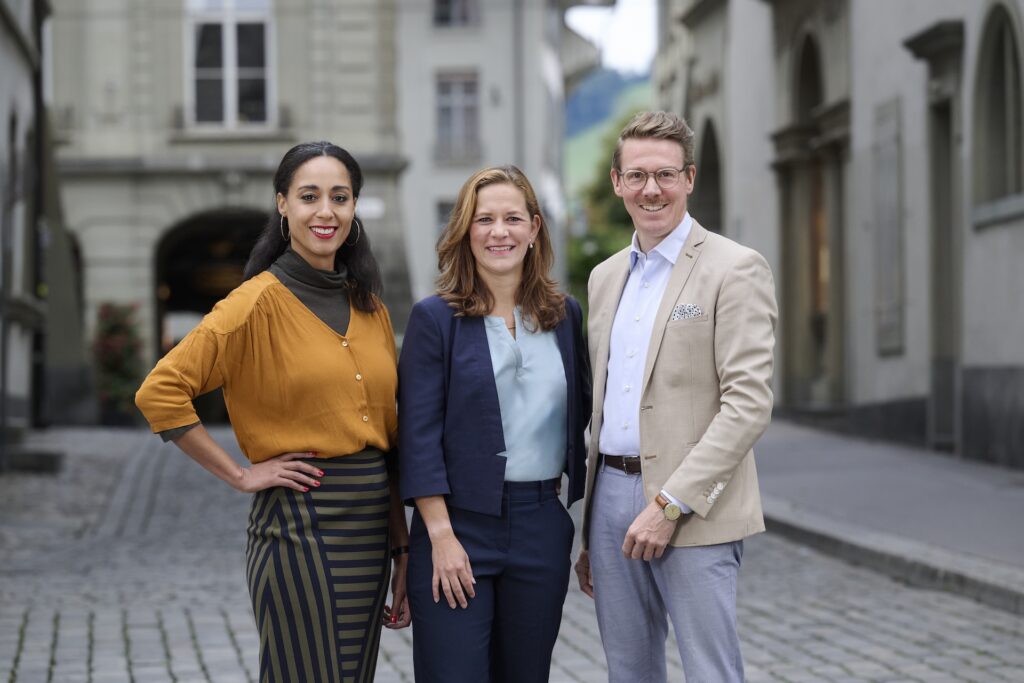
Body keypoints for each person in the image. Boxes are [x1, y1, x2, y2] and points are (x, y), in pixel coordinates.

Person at [135, 141, 410, 683]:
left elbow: (390, 437)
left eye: (340, 196)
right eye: (309, 196)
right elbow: (159, 391)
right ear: (283, 204)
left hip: (372, 529)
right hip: (298, 526)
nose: (325, 211)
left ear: (355, 207)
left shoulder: (370, 307)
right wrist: (240, 473)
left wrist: (401, 546)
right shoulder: (253, 303)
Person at [574, 111, 778, 682]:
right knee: (629, 671)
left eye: (665, 175)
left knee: (711, 672)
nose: (651, 190)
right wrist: (594, 525)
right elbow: (605, 402)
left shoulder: (735, 269)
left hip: (692, 508)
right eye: (637, 176)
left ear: (688, 178)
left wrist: (670, 506)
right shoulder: (605, 277)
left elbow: (748, 404)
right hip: (611, 496)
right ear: (617, 182)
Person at [398, 166, 590, 682]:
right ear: (465, 232)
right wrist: (439, 535)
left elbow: (585, 419)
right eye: (484, 219)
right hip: (457, 526)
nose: (498, 231)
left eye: (511, 218)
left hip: (541, 525)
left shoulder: (565, 316)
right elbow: (417, 437)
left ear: (533, 229)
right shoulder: (435, 319)